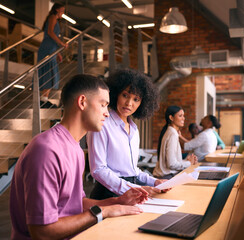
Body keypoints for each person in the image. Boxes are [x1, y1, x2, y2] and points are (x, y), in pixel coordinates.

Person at [10, 74, 149, 240]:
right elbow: (42, 232)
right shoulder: (46, 150)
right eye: (103, 105)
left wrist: (117, 201)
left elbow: (76, 203)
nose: (107, 113)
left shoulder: (75, 148)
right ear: (82, 102)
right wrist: (103, 212)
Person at [87, 68, 166, 200]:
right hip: (108, 194)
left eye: (136, 99)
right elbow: (98, 169)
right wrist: (132, 188)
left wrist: (154, 181)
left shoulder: (134, 130)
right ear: (116, 94)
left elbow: (132, 170)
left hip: (130, 190)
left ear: (142, 103)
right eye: (125, 95)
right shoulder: (102, 124)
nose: (129, 103)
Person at [153, 106, 197, 179]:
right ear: (171, 118)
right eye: (180, 116)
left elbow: (172, 161)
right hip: (167, 178)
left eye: (183, 116)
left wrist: (187, 160)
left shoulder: (172, 132)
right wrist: (189, 163)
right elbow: (171, 164)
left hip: (168, 176)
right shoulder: (172, 134)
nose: (183, 118)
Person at [38, 3, 68, 108]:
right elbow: (50, 32)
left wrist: (58, 52)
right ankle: (43, 99)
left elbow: (51, 36)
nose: (63, 13)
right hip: (47, 48)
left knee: (50, 72)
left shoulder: (54, 18)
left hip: (51, 49)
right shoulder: (52, 17)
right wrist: (61, 43)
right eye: (62, 11)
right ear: (57, 10)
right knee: (48, 72)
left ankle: (44, 98)